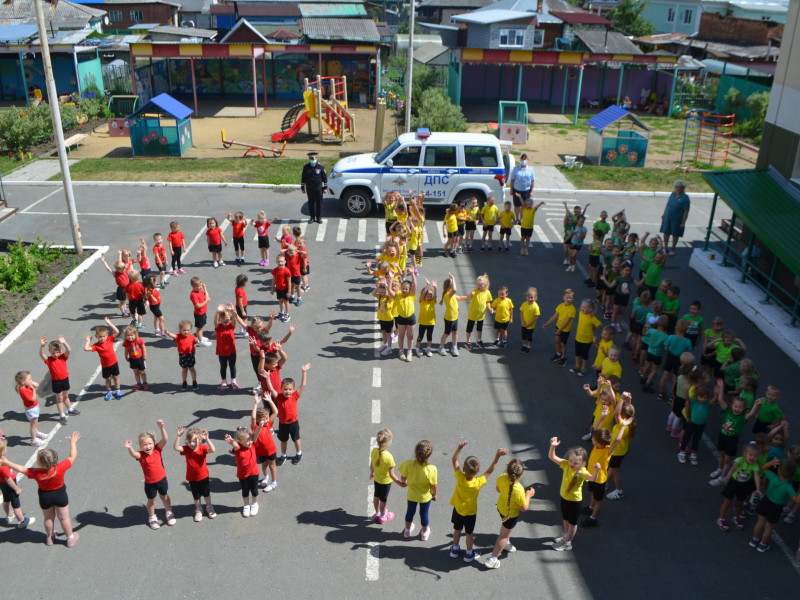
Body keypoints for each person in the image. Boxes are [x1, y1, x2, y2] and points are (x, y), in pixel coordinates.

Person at [2, 431, 81, 546]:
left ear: (39, 463)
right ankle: (70, 538)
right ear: (54, 460)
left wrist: (7, 462)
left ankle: (49, 538)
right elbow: (72, 456)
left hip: (45, 496)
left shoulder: (36, 473)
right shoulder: (60, 468)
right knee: (64, 518)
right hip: (60, 494)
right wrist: (72, 442)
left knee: (48, 518)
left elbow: (21, 469)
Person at [450, 441, 506, 563]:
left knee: (457, 530)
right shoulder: (478, 482)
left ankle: (454, 549)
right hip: (470, 513)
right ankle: (469, 554)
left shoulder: (459, 477)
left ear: (463, 469)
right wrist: (497, 456)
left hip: (458, 510)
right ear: (479, 470)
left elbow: (454, 460)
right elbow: (490, 471)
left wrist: (459, 448)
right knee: (469, 533)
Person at [548, 437, 600, 551]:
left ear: (583, 464)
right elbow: (552, 457)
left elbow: (592, 479)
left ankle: (567, 543)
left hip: (575, 501)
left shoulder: (582, 472)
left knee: (572, 524)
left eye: (576, 463)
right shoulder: (565, 464)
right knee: (565, 519)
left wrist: (596, 470)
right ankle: (566, 535)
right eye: (571, 460)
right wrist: (553, 446)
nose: (572, 464)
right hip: (564, 498)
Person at [124, 419, 176, 529]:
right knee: (151, 501)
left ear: (153, 443)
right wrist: (130, 448)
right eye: (144, 444)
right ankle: (152, 518)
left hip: (162, 480)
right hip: (150, 484)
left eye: (150, 444)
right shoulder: (141, 455)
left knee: (165, 497)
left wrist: (162, 428)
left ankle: (169, 513)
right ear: (140, 446)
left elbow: (165, 439)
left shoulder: (157, 449)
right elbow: (134, 454)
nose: (148, 446)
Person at [484, 458, 535, 569]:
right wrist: (528, 495)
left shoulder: (501, 478)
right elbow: (524, 508)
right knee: (503, 536)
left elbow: (498, 490)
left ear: (507, 470)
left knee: (505, 529)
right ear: (522, 473)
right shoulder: (519, 490)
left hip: (501, 508)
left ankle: (506, 543)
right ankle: (493, 559)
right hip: (511, 515)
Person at [264, 363, 310, 466]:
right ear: (281, 389)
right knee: (283, 441)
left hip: (294, 423)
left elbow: (303, 385)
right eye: (285, 389)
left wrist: (304, 372)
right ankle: (283, 455)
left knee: (296, 439)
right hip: (283, 424)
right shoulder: (279, 397)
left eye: (290, 389)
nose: (287, 391)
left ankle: (299, 453)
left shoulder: (295, 396)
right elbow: (271, 389)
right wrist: (267, 378)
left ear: (293, 389)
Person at [173, 425, 217, 522]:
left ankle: (209, 507)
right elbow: (176, 447)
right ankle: (198, 510)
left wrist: (207, 439)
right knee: (196, 496)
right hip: (192, 478)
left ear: (200, 440)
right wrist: (179, 436)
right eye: (189, 441)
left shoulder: (203, 448)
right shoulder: (187, 449)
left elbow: (213, 450)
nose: (191, 444)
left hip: (204, 476)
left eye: (194, 441)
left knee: (206, 494)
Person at [398, 440, 438, 540]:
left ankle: (407, 530)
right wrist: (434, 495)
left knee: (410, 512)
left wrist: (405, 482)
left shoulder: (408, 464)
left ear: (415, 452)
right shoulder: (432, 468)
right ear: (429, 455)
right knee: (424, 514)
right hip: (425, 497)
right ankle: (424, 532)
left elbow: (403, 477)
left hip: (412, 495)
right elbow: (434, 485)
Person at [224, 421, 264, 517]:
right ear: (240, 441)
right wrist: (231, 441)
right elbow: (234, 445)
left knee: (254, 490)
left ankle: (254, 504)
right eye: (247, 440)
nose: (250, 442)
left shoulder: (252, 444)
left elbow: (255, 435)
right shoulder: (238, 449)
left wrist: (260, 427)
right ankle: (246, 505)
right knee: (245, 491)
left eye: (250, 439)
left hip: (254, 473)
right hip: (243, 475)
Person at [39, 336, 80, 426]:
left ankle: (70, 409)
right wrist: (42, 346)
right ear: (50, 352)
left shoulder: (62, 357)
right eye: (53, 353)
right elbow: (42, 355)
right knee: (59, 399)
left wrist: (64, 342)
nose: (56, 354)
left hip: (65, 380)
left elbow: (69, 350)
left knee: (66, 396)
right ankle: (62, 415)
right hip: (56, 382)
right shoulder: (49, 360)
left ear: (60, 350)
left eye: (57, 352)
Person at [369, 429, 404, 525]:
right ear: (389, 443)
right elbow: (392, 475)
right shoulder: (388, 457)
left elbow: (372, 464)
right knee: (383, 499)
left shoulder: (374, 451)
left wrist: (372, 472)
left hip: (377, 479)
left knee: (376, 496)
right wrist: (401, 483)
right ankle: (383, 516)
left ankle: (377, 513)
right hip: (386, 482)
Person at [0, 439, 36, 528]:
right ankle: (22, 521)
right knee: (16, 504)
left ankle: (9, 515)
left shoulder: (2, 460)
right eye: (5, 448)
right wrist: (16, 488)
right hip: (10, 486)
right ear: (1, 452)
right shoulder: (3, 466)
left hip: (3, 485)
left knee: (6, 500)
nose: (6, 449)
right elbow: (9, 480)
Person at [84, 316, 121, 401]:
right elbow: (86, 348)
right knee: (108, 379)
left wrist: (109, 323)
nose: (102, 338)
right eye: (100, 336)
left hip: (114, 363)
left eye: (104, 336)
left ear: (107, 335)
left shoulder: (109, 339)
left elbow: (117, 331)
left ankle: (118, 390)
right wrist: (88, 341)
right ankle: (109, 391)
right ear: (96, 336)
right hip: (105, 366)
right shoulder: (96, 346)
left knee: (115, 377)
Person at [215, 303, 247, 391]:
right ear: (220, 319)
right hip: (222, 352)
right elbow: (215, 321)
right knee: (223, 366)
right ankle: (224, 381)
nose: (225, 319)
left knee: (232, 366)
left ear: (229, 317)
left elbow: (235, 319)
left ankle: (234, 381)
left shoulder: (231, 326)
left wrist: (233, 311)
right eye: (223, 318)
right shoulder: (218, 327)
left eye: (227, 317)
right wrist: (217, 312)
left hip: (232, 351)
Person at [542, 288, 576, 367]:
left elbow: (567, 321)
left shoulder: (572, 309)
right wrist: (547, 323)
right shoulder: (560, 306)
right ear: (563, 297)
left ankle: (563, 357)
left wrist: (560, 330)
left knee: (563, 344)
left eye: (571, 298)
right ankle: (558, 354)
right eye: (567, 297)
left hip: (565, 329)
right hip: (558, 327)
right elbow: (555, 316)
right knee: (557, 341)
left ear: (573, 299)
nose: (568, 299)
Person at [252, 394, 279, 492]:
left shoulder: (268, 424)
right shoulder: (255, 427)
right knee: (264, 465)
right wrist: (256, 404)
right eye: (265, 419)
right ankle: (266, 477)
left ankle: (273, 482)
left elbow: (275, 412)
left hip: (271, 450)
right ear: (258, 420)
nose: (267, 420)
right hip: (261, 451)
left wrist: (270, 400)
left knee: (272, 465)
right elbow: (253, 418)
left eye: (268, 418)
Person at [163, 320, 199, 391]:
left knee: (192, 369)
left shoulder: (192, 337)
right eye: (184, 330)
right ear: (180, 330)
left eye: (188, 330)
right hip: (182, 356)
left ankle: (194, 382)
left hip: (190, 355)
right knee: (184, 370)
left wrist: (194, 352)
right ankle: (184, 382)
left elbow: (194, 345)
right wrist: (168, 333)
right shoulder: (178, 337)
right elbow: (173, 335)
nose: (186, 332)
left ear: (190, 330)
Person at [14, 370, 46, 446]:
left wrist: (31, 382)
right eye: (29, 379)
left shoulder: (27, 385)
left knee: (36, 423)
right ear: (23, 382)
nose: (31, 380)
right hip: (31, 409)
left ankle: (36, 433)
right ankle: (34, 440)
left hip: (34, 407)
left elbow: (37, 385)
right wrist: (33, 390)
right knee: (33, 425)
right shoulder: (23, 390)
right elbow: (33, 399)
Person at [659, 180, 690, 255]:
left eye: (681, 187)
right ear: (675, 187)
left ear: (684, 188)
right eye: (677, 187)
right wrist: (664, 213)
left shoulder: (685, 198)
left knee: (675, 234)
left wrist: (683, 222)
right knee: (666, 232)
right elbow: (668, 204)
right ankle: (666, 247)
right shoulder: (673, 194)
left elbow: (686, 211)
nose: (679, 189)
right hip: (668, 217)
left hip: (677, 219)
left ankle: (673, 248)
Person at [465, 274, 492, 350]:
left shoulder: (487, 292)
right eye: (477, 284)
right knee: (469, 328)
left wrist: (489, 308)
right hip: (473, 313)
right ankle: (468, 342)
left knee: (479, 328)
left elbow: (488, 301)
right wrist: (470, 294)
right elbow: (468, 297)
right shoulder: (474, 291)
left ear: (485, 285)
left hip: (481, 314)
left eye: (480, 285)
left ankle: (479, 340)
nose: (478, 286)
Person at [300, 151, 327, 223]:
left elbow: (324, 178)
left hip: (318, 188)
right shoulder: (306, 167)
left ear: (316, 158)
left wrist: (325, 188)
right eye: (311, 158)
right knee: (311, 203)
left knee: (319, 204)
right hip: (309, 188)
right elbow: (303, 178)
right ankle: (312, 217)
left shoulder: (321, 167)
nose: (312, 160)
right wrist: (302, 188)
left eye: (314, 158)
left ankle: (319, 218)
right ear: (309, 159)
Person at [508, 152, 535, 224]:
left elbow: (533, 181)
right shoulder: (516, 169)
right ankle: (517, 218)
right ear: (520, 159)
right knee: (517, 205)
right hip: (517, 189)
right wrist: (511, 189)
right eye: (522, 159)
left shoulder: (530, 169)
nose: (524, 160)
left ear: (527, 160)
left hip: (526, 190)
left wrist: (531, 191)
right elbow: (512, 180)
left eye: (525, 159)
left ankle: (521, 219)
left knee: (524, 206)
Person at [122, 324, 148, 391]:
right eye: (128, 335)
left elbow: (143, 347)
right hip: (132, 359)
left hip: (140, 359)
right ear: (125, 336)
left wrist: (144, 355)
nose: (130, 337)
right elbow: (126, 350)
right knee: (136, 372)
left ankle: (145, 383)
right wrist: (126, 357)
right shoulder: (126, 342)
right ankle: (138, 383)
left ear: (135, 334)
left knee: (142, 372)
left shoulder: (139, 340)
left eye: (132, 335)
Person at [189, 277, 212, 347]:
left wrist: (205, 288)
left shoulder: (200, 290)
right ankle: (200, 341)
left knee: (202, 325)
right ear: (193, 286)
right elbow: (198, 306)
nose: (200, 287)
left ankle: (200, 337)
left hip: (203, 312)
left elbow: (207, 297)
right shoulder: (193, 295)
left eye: (201, 285)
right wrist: (206, 301)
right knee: (199, 328)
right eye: (199, 286)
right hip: (199, 314)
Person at [519, 286, 540, 356]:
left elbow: (536, 317)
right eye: (529, 297)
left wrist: (529, 324)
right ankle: (524, 346)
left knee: (529, 337)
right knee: (523, 336)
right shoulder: (524, 304)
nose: (530, 299)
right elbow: (521, 312)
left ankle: (528, 347)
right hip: (524, 324)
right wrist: (522, 322)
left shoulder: (535, 306)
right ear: (526, 297)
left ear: (535, 298)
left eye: (532, 297)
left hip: (530, 326)